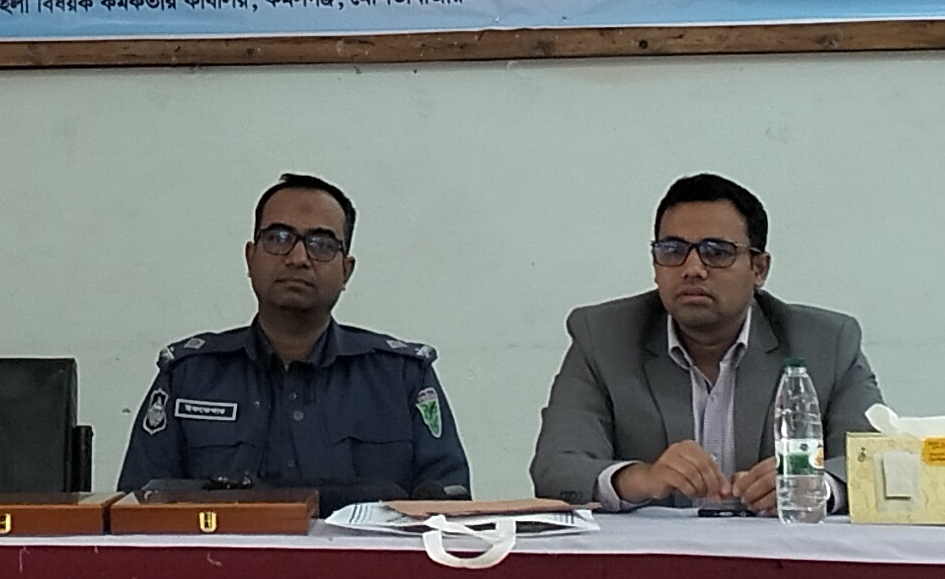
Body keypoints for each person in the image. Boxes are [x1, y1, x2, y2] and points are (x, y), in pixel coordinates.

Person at [531, 173, 879, 512]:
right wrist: (639, 479)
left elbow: (878, 461)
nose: (693, 268)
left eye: (717, 252)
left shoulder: (827, 343)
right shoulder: (604, 337)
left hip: (782, 549)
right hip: (653, 551)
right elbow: (555, 468)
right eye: (672, 250)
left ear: (759, 268)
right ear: (655, 264)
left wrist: (816, 486)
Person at [125, 176, 469, 506]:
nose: (298, 258)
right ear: (250, 257)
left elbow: (446, 510)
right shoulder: (188, 377)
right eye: (278, 238)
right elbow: (136, 511)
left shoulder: (402, 378)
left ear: (346, 270)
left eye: (321, 244)